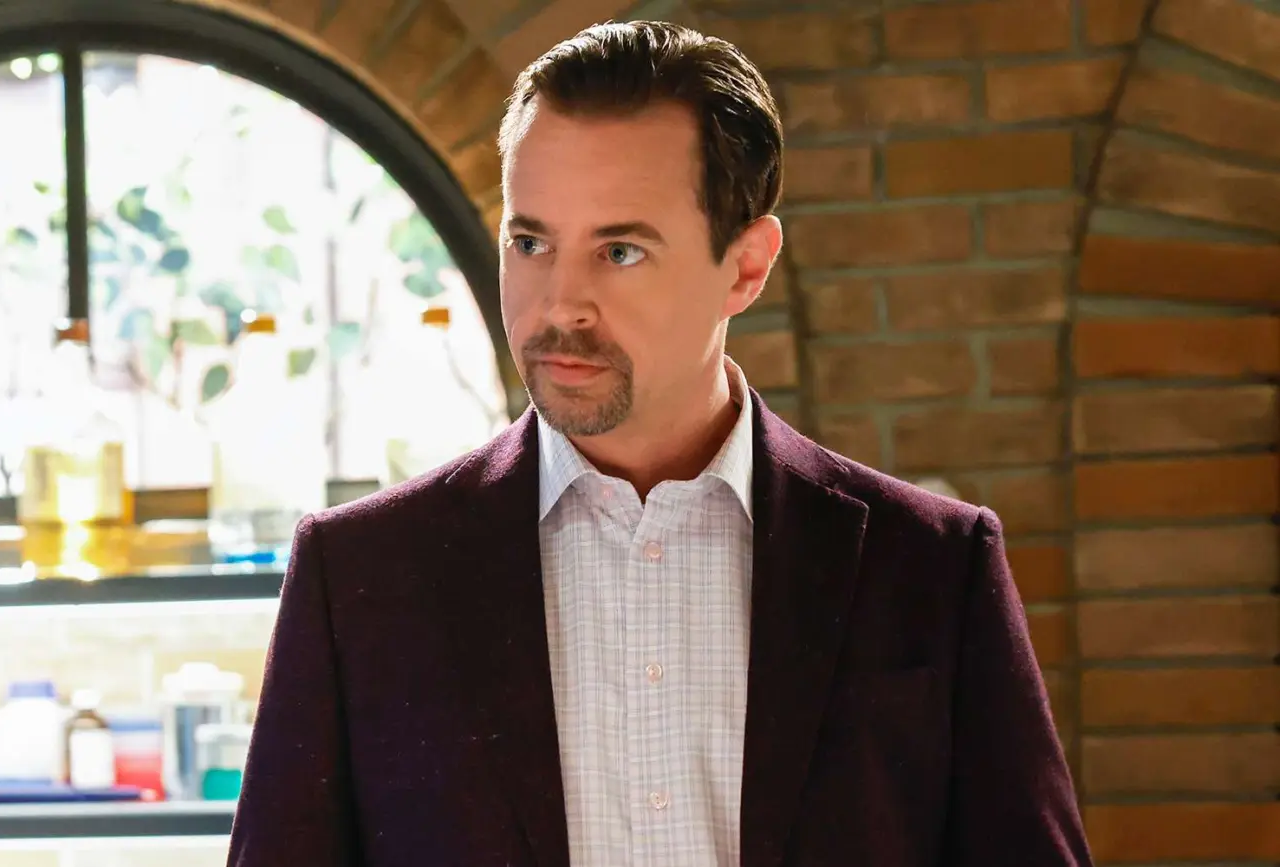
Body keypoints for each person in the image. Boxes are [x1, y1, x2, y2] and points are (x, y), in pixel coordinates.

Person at [227, 20, 1092, 867]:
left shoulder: (933, 568)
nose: (560, 303)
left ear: (746, 267)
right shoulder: (361, 578)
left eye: (620, 251)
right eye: (530, 242)